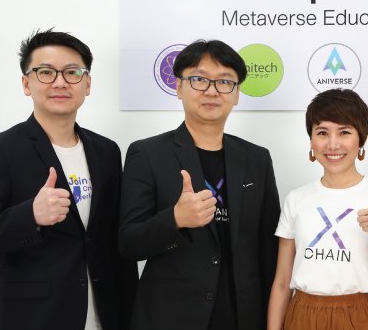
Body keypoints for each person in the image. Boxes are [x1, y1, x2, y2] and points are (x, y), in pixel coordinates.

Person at [0, 29, 138, 330]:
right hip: (35, 320)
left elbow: (114, 246)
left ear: (87, 84)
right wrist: (30, 216)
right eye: (46, 72)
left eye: (72, 72)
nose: (60, 82)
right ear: (27, 83)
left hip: (106, 317)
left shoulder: (106, 151)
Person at [119, 39, 280, 330]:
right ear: (179, 87)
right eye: (199, 79)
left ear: (237, 94)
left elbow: (268, 248)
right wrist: (175, 219)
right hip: (171, 317)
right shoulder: (148, 154)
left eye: (225, 81)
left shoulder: (257, 158)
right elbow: (129, 243)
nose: (212, 90)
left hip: (242, 316)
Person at [267, 89, 368, 330]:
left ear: (361, 139)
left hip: (360, 317)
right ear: (311, 141)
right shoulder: (296, 199)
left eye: (344, 132)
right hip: (301, 315)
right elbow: (282, 283)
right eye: (322, 132)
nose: (333, 144)